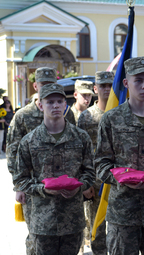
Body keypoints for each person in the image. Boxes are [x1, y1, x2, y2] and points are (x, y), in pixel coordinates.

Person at [95, 57, 144, 255]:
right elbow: (101, 164)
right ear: (126, 83)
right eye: (138, 80)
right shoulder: (111, 119)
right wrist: (122, 179)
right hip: (123, 214)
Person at [12, 83, 95, 255]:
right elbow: (21, 180)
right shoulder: (29, 141)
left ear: (65, 104)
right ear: (41, 105)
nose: (55, 105)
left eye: (59, 101)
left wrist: (79, 187)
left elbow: (90, 172)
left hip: (72, 220)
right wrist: (43, 190)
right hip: (43, 222)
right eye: (50, 102)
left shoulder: (81, 138)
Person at [6, 67, 76, 255]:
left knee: (65, 230)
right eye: (43, 84)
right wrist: (18, 186)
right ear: (35, 86)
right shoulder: (23, 115)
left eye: (51, 84)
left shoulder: (66, 112)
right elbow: (13, 150)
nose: (47, 87)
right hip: (34, 185)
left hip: (63, 183)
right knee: (37, 234)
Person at [77, 71, 114, 255]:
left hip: (117, 181)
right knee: (97, 230)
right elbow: (80, 153)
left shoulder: (120, 112)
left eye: (110, 85)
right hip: (95, 183)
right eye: (103, 86)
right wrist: (86, 183)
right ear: (95, 88)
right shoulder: (87, 117)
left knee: (118, 231)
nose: (107, 89)